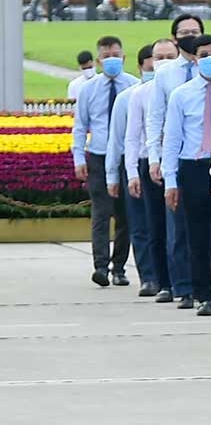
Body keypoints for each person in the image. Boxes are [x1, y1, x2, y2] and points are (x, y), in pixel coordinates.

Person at [161, 34, 211, 317]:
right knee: (196, 235)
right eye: (204, 55)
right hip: (194, 166)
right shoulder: (183, 94)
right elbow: (172, 139)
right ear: (194, 58)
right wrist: (170, 180)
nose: (210, 59)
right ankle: (203, 294)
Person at [72, 37, 138, 287]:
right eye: (106, 56)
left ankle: (119, 267)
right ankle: (100, 266)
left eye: (116, 55)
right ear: (98, 60)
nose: (111, 59)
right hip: (98, 156)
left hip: (125, 156)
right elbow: (80, 126)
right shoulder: (89, 89)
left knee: (125, 214)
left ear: (123, 58)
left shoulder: (133, 86)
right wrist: (79, 157)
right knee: (101, 212)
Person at [128, 38, 183, 303]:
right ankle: (162, 281)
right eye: (158, 57)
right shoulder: (141, 93)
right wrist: (141, 167)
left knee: (181, 228)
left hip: (181, 160)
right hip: (153, 162)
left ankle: (184, 280)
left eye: (169, 57)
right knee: (157, 226)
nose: (163, 63)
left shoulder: (184, 87)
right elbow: (135, 134)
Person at [111, 45, 157, 295]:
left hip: (165, 165)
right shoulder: (130, 97)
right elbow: (122, 140)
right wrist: (126, 174)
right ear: (140, 68)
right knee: (140, 225)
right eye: (152, 65)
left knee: (161, 227)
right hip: (139, 163)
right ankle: (148, 276)